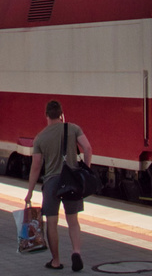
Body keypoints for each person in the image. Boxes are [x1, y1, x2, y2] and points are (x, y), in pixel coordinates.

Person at [23, 99, 94, 271]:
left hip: (52, 183)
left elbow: (36, 167)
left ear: (46, 115)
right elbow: (88, 148)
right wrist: (85, 171)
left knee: (52, 222)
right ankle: (76, 252)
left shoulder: (40, 137)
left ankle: (55, 261)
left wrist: (30, 192)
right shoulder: (73, 128)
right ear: (61, 114)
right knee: (73, 221)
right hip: (71, 180)